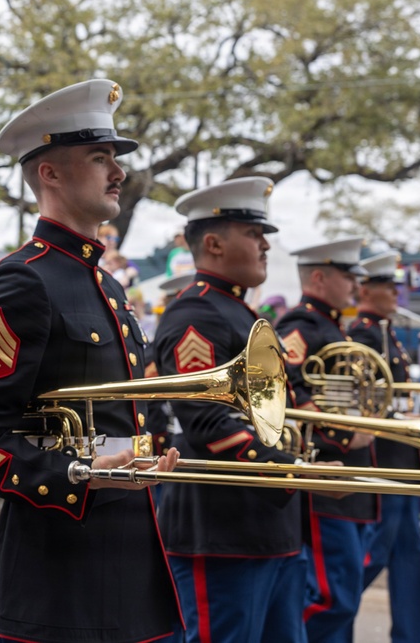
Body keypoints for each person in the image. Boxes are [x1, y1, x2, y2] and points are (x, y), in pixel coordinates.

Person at [0, 79, 183, 643]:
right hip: (58, 580)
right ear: (49, 173)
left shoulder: (110, 288)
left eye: (114, 159)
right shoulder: (22, 280)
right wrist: (81, 477)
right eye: (100, 158)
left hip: (130, 559)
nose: (118, 172)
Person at [152, 178, 307, 643]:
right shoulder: (194, 314)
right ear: (214, 243)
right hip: (221, 529)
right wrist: (291, 471)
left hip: (267, 526)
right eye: (253, 233)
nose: (265, 245)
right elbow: (208, 423)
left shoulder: (240, 313)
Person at [275, 237, 378, 643]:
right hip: (326, 473)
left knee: (345, 594)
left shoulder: (335, 327)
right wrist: (343, 433)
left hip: (348, 477)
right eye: (348, 276)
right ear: (319, 277)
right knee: (332, 597)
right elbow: (290, 394)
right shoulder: (300, 325)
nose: (356, 286)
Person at [347, 251, 420, 643]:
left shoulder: (386, 331)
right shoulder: (364, 334)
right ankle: (327, 617)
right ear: (365, 290)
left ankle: (412, 636)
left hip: (402, 457)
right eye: (387, 286)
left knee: (410, 556)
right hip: (384, 459)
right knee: (374, 553)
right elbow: (365, 402)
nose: (396, 292)